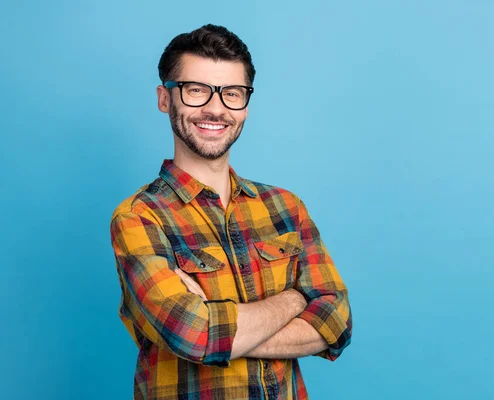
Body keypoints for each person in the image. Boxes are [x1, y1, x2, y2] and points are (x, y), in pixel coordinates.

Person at [109, 24, 352, 400]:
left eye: (232, 94)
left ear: (246, 105)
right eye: (195, 90)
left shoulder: (285, 207)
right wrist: (295, 300)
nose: (215, 108)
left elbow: (336, 322)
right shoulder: (139, 217)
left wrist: (223, 327)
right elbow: (195, 335)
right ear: (164, 98)